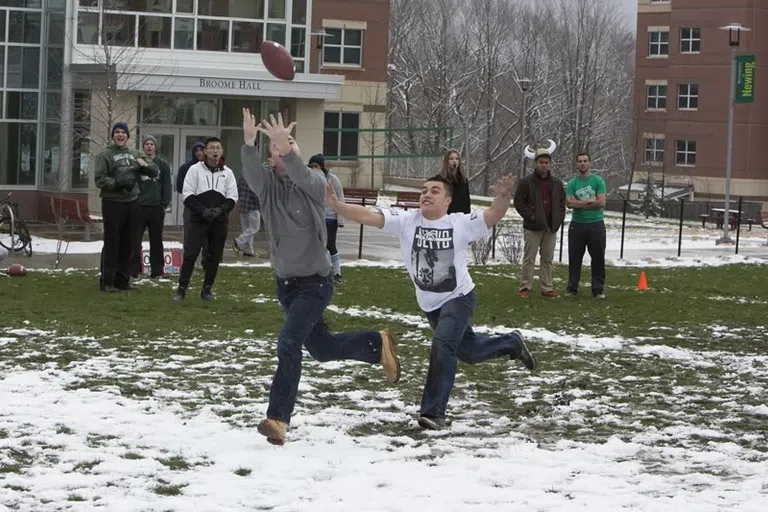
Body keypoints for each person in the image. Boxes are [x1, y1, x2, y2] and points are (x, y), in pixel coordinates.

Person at [240, 109, 400, 446]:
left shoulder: (315, 183)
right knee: (323, 349)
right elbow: (253, 173)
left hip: (315, 282)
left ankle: (278, 419)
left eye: (288, 146)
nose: (281, 152)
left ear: (295, 151)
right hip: (286, 285)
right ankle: (377, 344)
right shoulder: (268, 186)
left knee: (288, 342)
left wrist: (289, 149)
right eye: (275, 149)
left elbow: (306, 177)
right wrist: (250, 143)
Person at [326, 172, 536, 430]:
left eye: (434, 191)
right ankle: (511, 343)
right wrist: (338, 206)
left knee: (443, 344)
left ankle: (433, 413)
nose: (426, 194)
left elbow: (493, 214)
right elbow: (369, 215)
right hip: (431, 306)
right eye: (424, 190)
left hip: (459, 297)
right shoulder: (406, 220)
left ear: (448, 200)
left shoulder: (459, 223)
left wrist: (503, 195)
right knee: (468, 352)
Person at [172, 137, 238, 303]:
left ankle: (207, 289)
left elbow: (232, 197)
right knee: (190, 254)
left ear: (222, 151)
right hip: (197, 219)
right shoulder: (195, 170)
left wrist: (219, 210)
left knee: (214, 256)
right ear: (205, 151)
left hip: (219, 221)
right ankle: (181, 289)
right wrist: (203, 211)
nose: (215, 151)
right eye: (212, 148)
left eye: (218, 148)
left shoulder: (228, 173)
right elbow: (187, 194)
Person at [94, 122, 158, 292]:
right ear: (113, 136)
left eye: (123, 132)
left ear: (128, 136)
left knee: (129, 243)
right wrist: (117, 183)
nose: (120, 135)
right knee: (112, 243)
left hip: (132, 202)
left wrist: (144, 165)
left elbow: (154, 170)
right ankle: (107, 282)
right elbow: (99, 179)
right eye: (117, 132)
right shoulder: (105, 155)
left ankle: (123, 281)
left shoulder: (135, 153)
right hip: (113, 203)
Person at [513, 147, 566, 298]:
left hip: (551, 227)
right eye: (541, 162)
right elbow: (518, 202)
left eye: (546, 162)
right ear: (536, 163)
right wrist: (531, 216)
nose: (544, 165)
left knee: (547, 259)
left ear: (550, 164)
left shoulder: (556, 183)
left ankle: (547, 288)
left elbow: (562, 203)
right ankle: (525, 287)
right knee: (529, 258)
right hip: (533, 227)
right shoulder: (526, 182)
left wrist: (559, 218)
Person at [566, 152, 607, 299]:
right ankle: (572, 288)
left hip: (596, 224)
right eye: (579, 161)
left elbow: (601, 202)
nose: (582, 163)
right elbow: (569, 203)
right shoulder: (572, 184)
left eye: (585, 161)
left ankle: (598, 290)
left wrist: (579, 204)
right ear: (576, 164)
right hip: (577, 225)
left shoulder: (598, 181)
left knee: (598, 258)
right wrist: (589, 201)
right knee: (575, 257)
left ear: (590, 163)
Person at [134, 134, 172, 278]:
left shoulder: (163, 164)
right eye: (146, 144)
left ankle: (157, 270)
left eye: (152, 144)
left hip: (156, 207)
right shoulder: (138, 163)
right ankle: (134, 269)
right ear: (143, 147)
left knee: (156, 240)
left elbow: (167, 185)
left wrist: (163, 204)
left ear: (155, 147)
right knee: (135, 240)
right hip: (139, 207)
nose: (149, 146)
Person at [308, 153, 345, 283]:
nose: (314, 168)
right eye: (311, 166)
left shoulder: (333, 180)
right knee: (316, 245)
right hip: (316, 217)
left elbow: (340, 199)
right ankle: (318, 272)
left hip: (330, 218)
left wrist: (340, 219)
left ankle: (337, 273)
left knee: (330, 245)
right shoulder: (310, 179)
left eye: (316, 166)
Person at [177, 141, 208, 269]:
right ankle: (190, 262)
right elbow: (180, 187)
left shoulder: (209, 166)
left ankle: (206, 263)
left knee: (207, 237)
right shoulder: (186, 168)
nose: (199, 153)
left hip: (207, 206)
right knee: (190, 236)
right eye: (196, 151)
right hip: (191, 206)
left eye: (201, 150)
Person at [232, 171, 261, 258]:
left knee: (247, 229)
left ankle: (248, 250)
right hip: (252, 206)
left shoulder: (243, 174)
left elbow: (238, 189)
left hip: (243, 206)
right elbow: (256, 194)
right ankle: (239, 241)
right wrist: (260, 205)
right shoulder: (255, 177)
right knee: (254, 228)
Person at [440, 149, 471, 214]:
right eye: (451, 159)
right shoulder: (441, 180)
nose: (454, 161)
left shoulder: (464, 180)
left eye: (457, 159)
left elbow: (466, 202)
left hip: (461, 217)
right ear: (446, 161)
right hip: (447, 216)